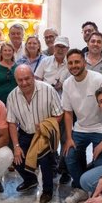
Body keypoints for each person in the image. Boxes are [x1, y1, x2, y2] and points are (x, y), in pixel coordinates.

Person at [62, 49, 102, 203]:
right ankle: (81, 189)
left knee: (99, 163)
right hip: (80, 128)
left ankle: (100, 195)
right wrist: (68, 138)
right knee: (70, 157)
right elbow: (67, 113)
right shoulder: (68, 84)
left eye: (77, 62)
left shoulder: (98, 80)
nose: (74, 65)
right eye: (71, 63)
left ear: (84, 62)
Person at [7, 65, 63, 203]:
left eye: (27, 78)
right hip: (25, 132)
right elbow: (12, 123)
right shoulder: (12, 96)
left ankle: (47, 191)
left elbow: (59, 114)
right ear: (16, 81)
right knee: (16, 158)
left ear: (33, 77)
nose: (24, 83)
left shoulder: (48, 90)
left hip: (44, 134)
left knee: (44, 161)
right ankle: (30, 180)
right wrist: (16, 146)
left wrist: (45, 125)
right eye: (20, 80)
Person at [34, 36, 71, 184]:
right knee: (50, 139)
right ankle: (53, 166)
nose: (60, 49)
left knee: (65, 139)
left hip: (66, 107)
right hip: (47, 107)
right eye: (57, 47)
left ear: (67, 49)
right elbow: (36, 79)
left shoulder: (71, 63)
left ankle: (64, 169)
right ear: (53, 48)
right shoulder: (45, 61)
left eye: (63, 47)